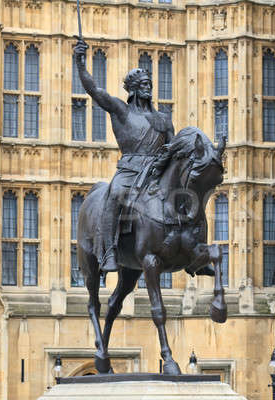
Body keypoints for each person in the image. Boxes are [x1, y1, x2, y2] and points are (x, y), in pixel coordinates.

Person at [74, 40, 174, 272]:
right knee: (115, 194)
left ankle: (192, 249)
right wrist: (80, 63)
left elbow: (172, 146)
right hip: (130, 170)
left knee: (184, 195)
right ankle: (109, 252)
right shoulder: (122, 110)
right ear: (134, 89)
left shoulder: (163, 119)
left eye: (149, 84)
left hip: (156, 172)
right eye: (143, 84)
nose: (148, 88)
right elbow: (95, 91)